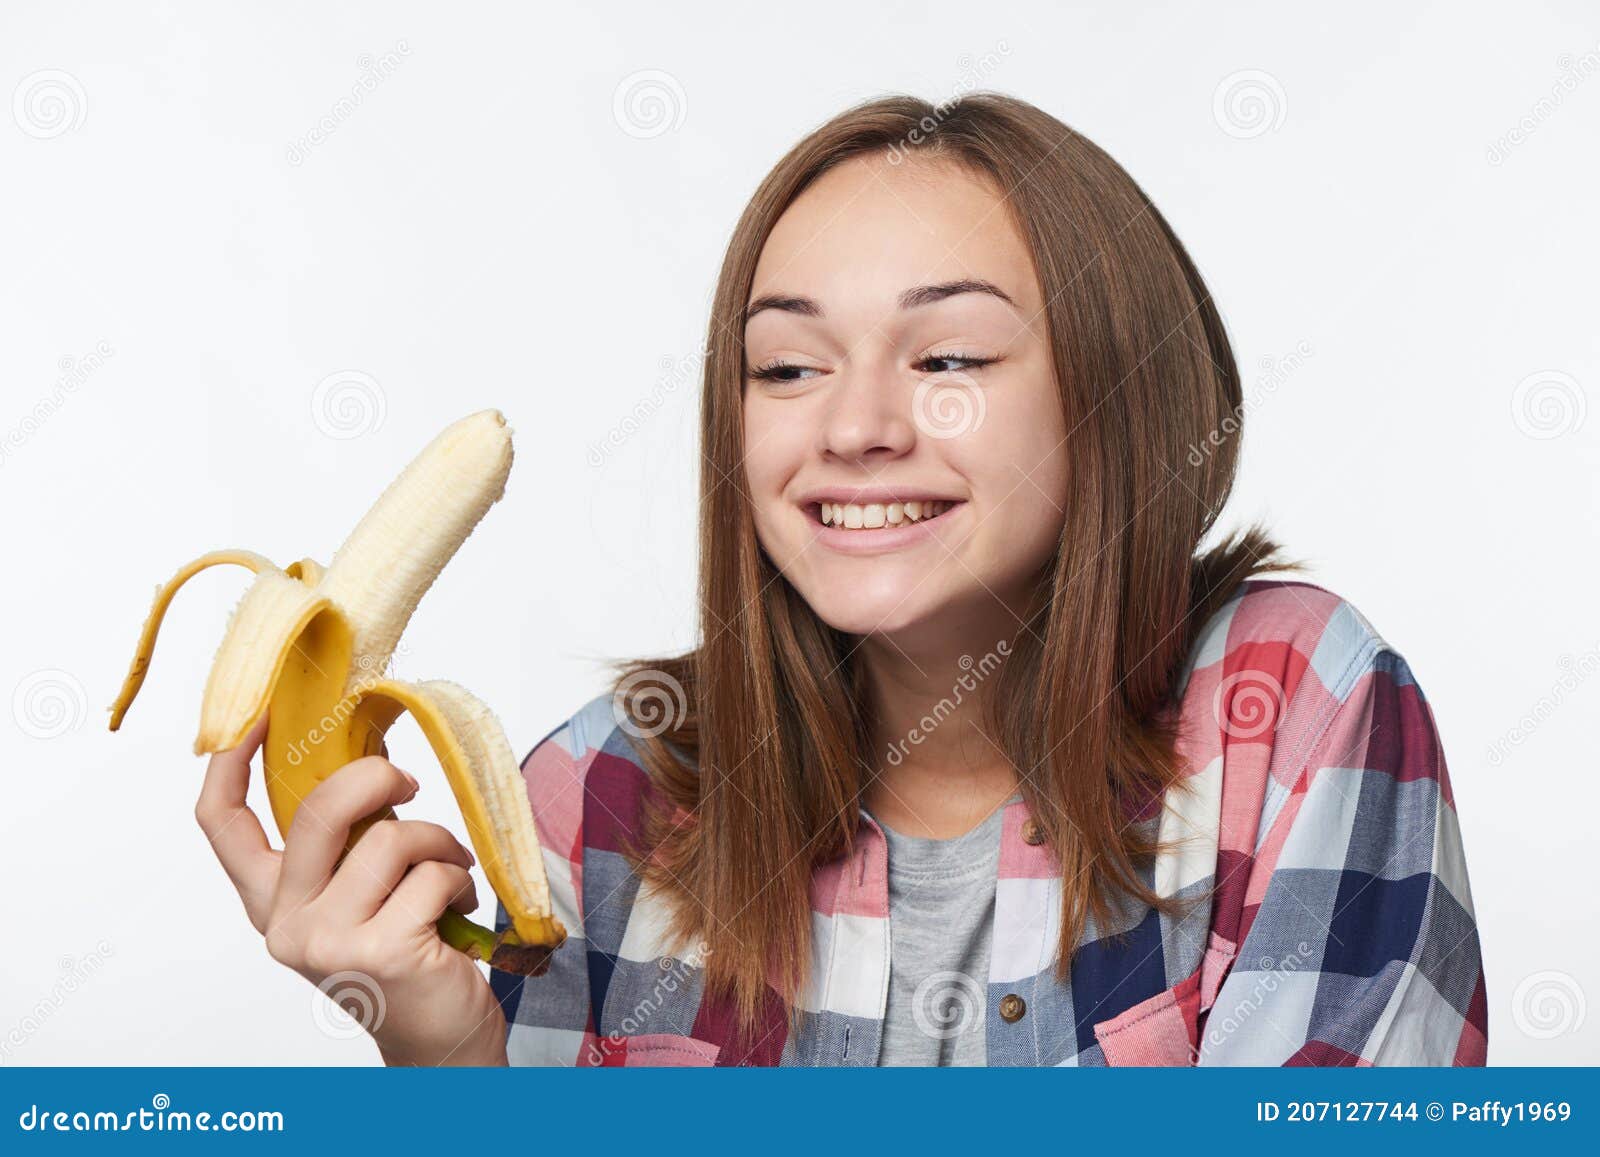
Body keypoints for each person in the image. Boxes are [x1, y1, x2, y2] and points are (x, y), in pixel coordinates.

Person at [199, 92, 1487, 1067]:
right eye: (787, 367)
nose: (856, 427)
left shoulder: (1295, 704)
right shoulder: (603, 794)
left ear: (1116, 402)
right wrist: (447, 1061)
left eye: (950, 358)